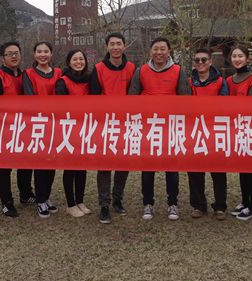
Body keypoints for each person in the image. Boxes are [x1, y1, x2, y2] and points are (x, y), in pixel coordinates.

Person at [129, 36, 191, 221]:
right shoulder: (141, 71)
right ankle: (148, 203)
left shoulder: (178, 71)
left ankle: (173, 203)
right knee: (147, 168)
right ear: (151, 51)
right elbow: (132, 98)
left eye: (163, 49)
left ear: (169, 51)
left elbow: (185, 98)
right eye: (156, 49)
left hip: (170, 127)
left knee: (171, 168)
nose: (159, 52)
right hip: (148, 127)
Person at [89, 32, 136, 224]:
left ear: (124, 46)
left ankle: (118, 199)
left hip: (125, 124)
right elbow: (94, 97)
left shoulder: (132, 68)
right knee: (105, 166)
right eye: (112, 44)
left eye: (119, 44)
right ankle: (104, 204)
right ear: (106, 47)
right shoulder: (98, 69)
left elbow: (135, 95)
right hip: (105, 124)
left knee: (123, 164)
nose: (115, 47)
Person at [0, 41, 30, 218]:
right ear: (2, 58)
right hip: (4, 128)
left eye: (16, 53)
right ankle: (7, 202)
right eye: (9, 54)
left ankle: (26, 193)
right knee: (4, 167)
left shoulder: (25, 75)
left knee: (26, 163)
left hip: (24, 127)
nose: (14, 56)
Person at [188, 47, 229, 221]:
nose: (200, 63)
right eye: (197, 60)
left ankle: (220, 206)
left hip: (214, 130)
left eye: (204, 60)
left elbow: (225, 105)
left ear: (210, 61)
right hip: (195, 130)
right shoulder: (189, 81)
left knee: (218, 170)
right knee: (195, 170)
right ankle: (198, 205)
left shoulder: (220, 81)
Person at [23, 41, 62, 219]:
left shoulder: (59, 72)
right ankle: (40, 200)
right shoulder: (28, 74)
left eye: (46, 51)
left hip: (55, 123)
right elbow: (29, 97)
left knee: (52, 162)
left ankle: (46, 196)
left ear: (51, 54)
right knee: (40, 163)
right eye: (39, 51)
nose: (43, 54)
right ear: (34, 54)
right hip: (38, 123)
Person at [55, 49, 92, 218]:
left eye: (81, 59)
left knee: (82, 167)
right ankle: (70, 204)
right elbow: (61, 106)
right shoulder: (63, 81)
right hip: (69, 128)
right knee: (70, 167)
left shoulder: (89, 79)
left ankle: (80, 201)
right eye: (75, 59)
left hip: (85, 127)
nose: (79, 62)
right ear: (69, 62)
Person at [226, 45, 252, 221]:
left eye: (240, 56)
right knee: (241, 168)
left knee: (250, 169)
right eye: (234, 56)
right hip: (235, 129)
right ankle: (244, 201)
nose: (237, 59)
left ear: (247, 59)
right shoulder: (229, 80)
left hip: (249, 128)